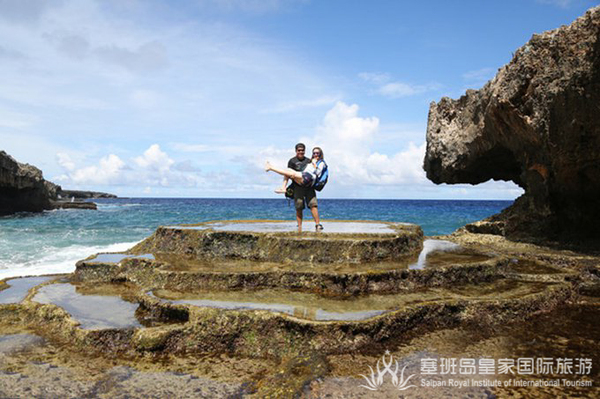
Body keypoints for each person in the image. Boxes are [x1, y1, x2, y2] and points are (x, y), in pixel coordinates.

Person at [266, 144, 324, 232]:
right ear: (296, 151)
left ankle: (317, 224)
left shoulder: (309, 160)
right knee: (299, 207)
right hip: (297, 187)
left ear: (305, 151)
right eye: (299, 150)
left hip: (309, 187)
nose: (301, 152)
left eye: (302, 150)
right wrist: (284, 185)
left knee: (313, 205)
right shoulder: (292, 161)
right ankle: (299, 226)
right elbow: (287, 174)